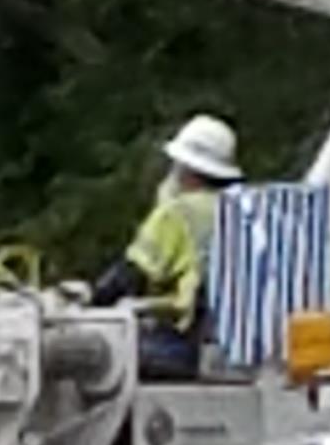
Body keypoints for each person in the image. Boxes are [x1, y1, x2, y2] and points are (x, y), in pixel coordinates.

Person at [91, 111, 240, 379]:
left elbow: (129, 276)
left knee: (94, 360)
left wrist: (88, 305)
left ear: (187, 170)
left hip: (183, 345)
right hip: (231, 347)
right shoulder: (242, 210)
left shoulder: (176, 214)